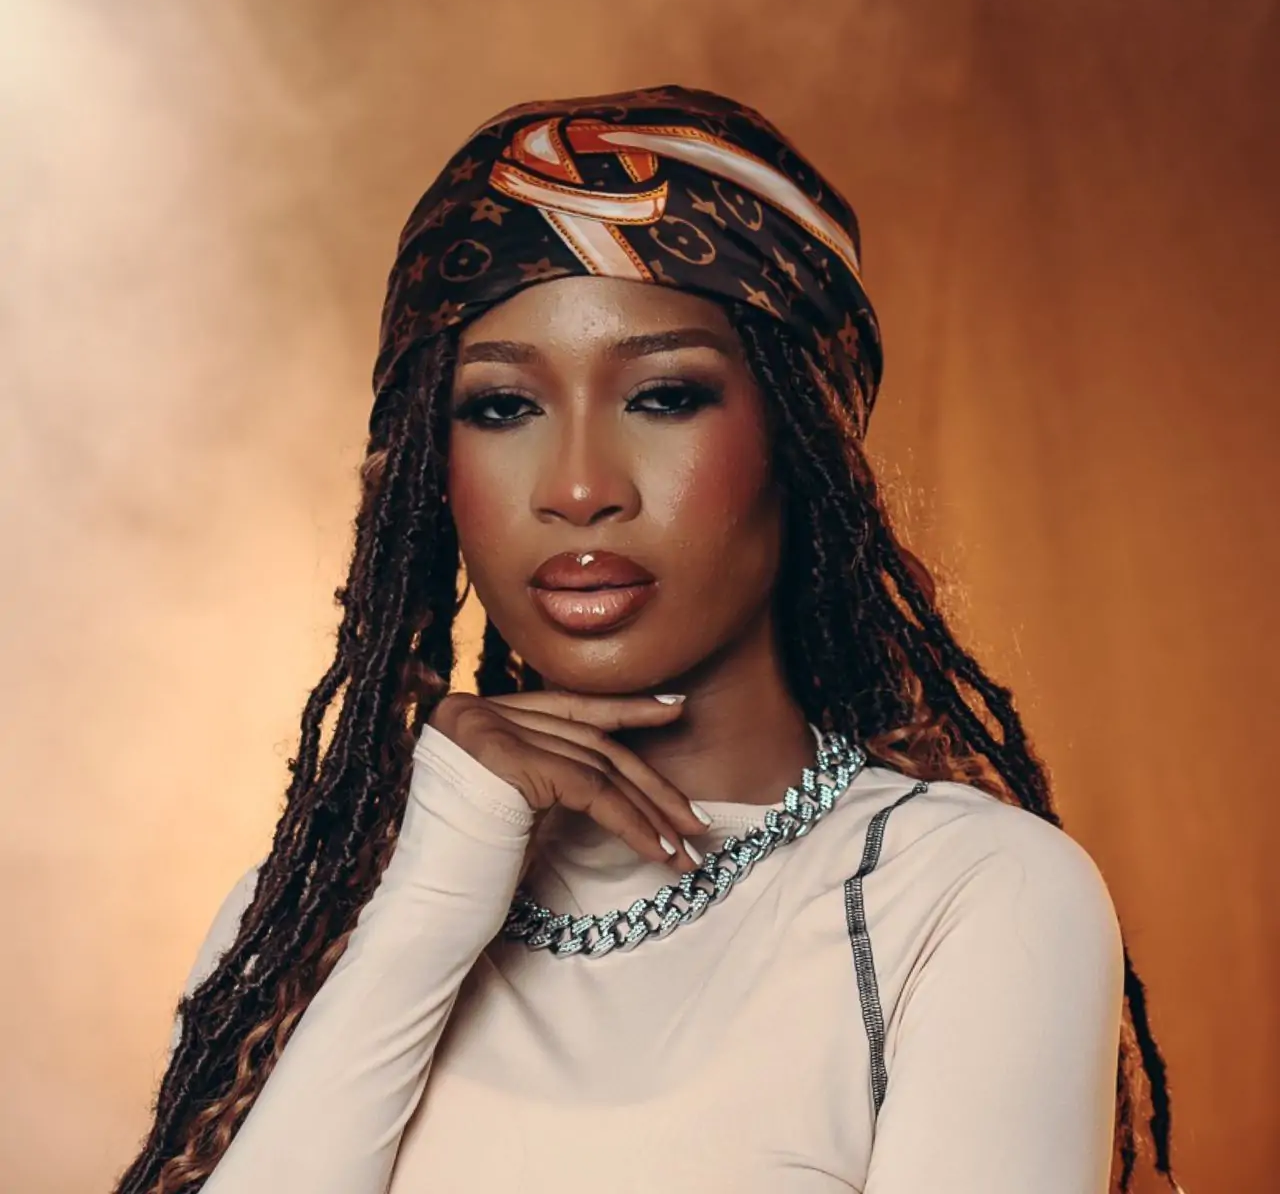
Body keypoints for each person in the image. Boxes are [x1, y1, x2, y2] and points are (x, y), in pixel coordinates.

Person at [115, 85, 1179, 1194]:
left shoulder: (967, 894)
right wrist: (429, 900)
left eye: (664, 397)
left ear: (800, 440)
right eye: (502, 407)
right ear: (435, 471)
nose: (578, 487)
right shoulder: (301, 923)